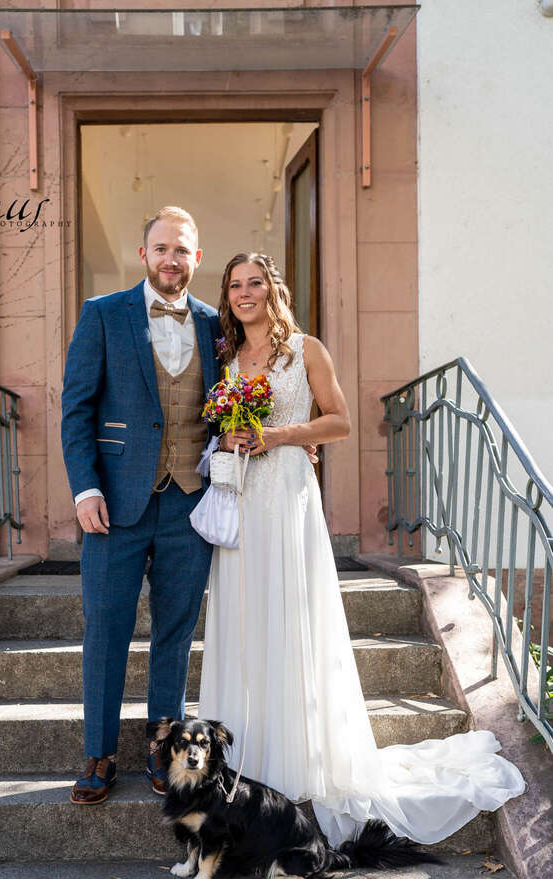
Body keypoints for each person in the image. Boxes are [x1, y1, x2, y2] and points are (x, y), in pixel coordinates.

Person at [197, 251, 525, 848]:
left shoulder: (306, 350)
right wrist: (233, 437)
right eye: (235, 286)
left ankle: (300, 760)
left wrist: (280, 435)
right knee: (246, 620)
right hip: (243, 498)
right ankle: (248, 757)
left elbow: (341, 421)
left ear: (275, 290)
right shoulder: (227, 356)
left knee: (291, 618)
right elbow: (224, 426)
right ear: (228, 295)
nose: (245, 294)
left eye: (255, 284)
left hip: (288, 495)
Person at [61, 206, 220, 802]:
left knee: (175, 633)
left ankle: (163, 747)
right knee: (106, 628)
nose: (171, 259)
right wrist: (86, 487)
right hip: (113, 505)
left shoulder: (214, 325)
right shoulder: (102, 315)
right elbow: (76, 408)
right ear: (143, 253)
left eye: (182, 250)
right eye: (161, 249)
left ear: (196, 258)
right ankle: (98, 754)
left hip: (191, 505)